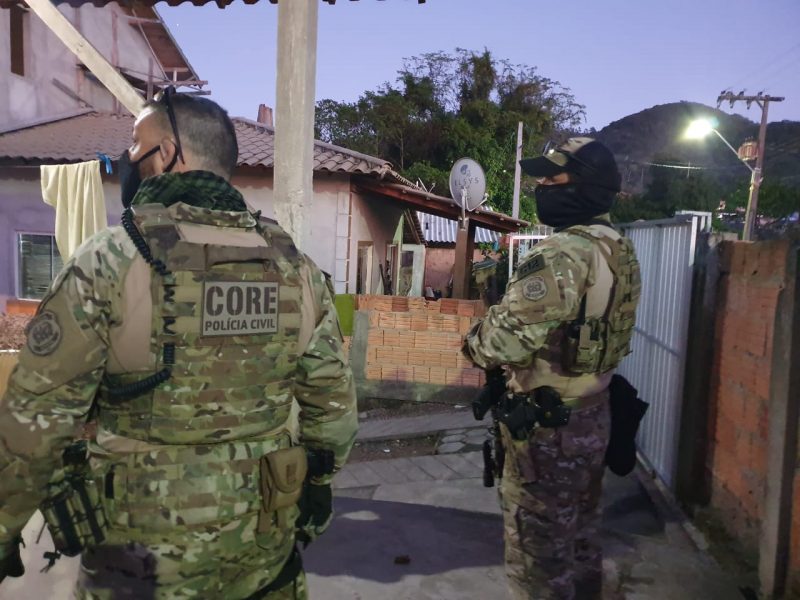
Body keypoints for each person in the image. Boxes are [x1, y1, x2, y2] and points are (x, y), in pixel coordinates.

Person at [0, 89, 358, 599]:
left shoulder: (110, 260)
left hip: (139, 568)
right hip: (262, 558)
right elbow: (334, 406)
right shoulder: (294, 268)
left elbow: (34, 424)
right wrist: (318, 484)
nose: (128, 158)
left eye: (135, 143)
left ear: (168, 153)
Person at [463, 137, 641, 600]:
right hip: (593, 411)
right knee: (582, 541)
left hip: (549, 431)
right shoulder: (617, 246)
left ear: (584, 186)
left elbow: (499, 343)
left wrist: (474, 338)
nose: (541, 186)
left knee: (539, 561)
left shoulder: (563, 253)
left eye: (551, 177)